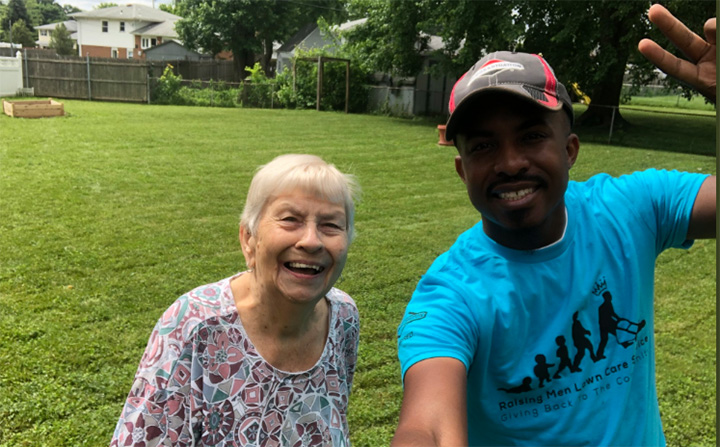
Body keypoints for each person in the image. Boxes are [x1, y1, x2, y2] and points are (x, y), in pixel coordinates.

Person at [392, 5, 715, 446]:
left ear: (570, 150)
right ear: (462, 171)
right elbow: (425, 425)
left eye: (531, 136)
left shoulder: (630, 209)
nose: (509, 163)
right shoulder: (451, 294)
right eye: (484, 146)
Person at [111, 154, 361, 447]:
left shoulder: (343, 316)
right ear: (248, 239)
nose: (311, 240)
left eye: (330, 225)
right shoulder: (195, 325)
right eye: (290, 219)